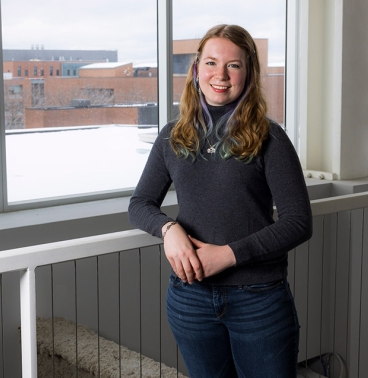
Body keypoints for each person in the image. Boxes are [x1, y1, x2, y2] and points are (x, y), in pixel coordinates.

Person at [128, 24, 312, 378]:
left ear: (248, 72)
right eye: (211, 63)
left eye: (234, 65)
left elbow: (298, 222)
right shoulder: (172, 136)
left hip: (258, 299)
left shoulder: (270, 136)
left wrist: (226, 255)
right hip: (190, 299)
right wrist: (169, 230)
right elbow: (139, 204)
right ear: (196, 69)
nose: (221, 75)